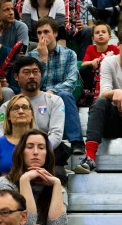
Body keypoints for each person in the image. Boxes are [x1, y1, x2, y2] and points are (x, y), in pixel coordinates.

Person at [28, 17, 84, 155]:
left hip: (61, 96)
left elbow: (71, 82)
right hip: (37, 96)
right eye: (39, 33)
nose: (42, 36)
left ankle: (77, 142)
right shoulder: (31, 56)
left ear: (55, 33)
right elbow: (32, 84)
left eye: (46, 32)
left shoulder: (69, 54)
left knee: (65, 94)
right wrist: (43, 60)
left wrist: (52, 91)